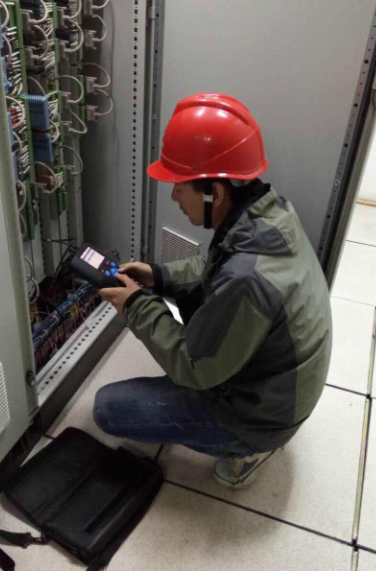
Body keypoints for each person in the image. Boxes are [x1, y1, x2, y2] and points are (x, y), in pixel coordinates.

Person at [95, 93, 332, 489]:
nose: (173, 197)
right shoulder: (267, 217)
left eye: (179, 186)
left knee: (107, 409)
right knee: (189, 323)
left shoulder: (247, 278)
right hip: (276, 387)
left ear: (215, 193)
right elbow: (213, 270)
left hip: (259, 417)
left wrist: (135, 305)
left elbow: (194, 367)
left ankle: (248, 449)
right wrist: (157, 276)